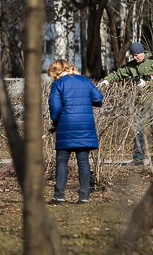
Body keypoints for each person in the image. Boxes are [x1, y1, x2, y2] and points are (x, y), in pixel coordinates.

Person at [98, 42, 153, 166]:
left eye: (137, 55)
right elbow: (118, 73)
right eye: (133, 55)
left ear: (143, 52)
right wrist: (106, 81)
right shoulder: (131, 66)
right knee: (138, 129)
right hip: (139, 102)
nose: (135, 58)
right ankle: (138, 158)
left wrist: (147, 83)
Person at [47, 59, 103, 204]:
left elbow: (56, 108)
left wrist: (55, 123)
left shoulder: (58, 84)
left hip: (66, 126)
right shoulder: (85, 81)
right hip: (85, 127)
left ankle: (59, 196)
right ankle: (84, 197)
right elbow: (98, 98)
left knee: (62, 162)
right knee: (83, 162)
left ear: (57, 73)